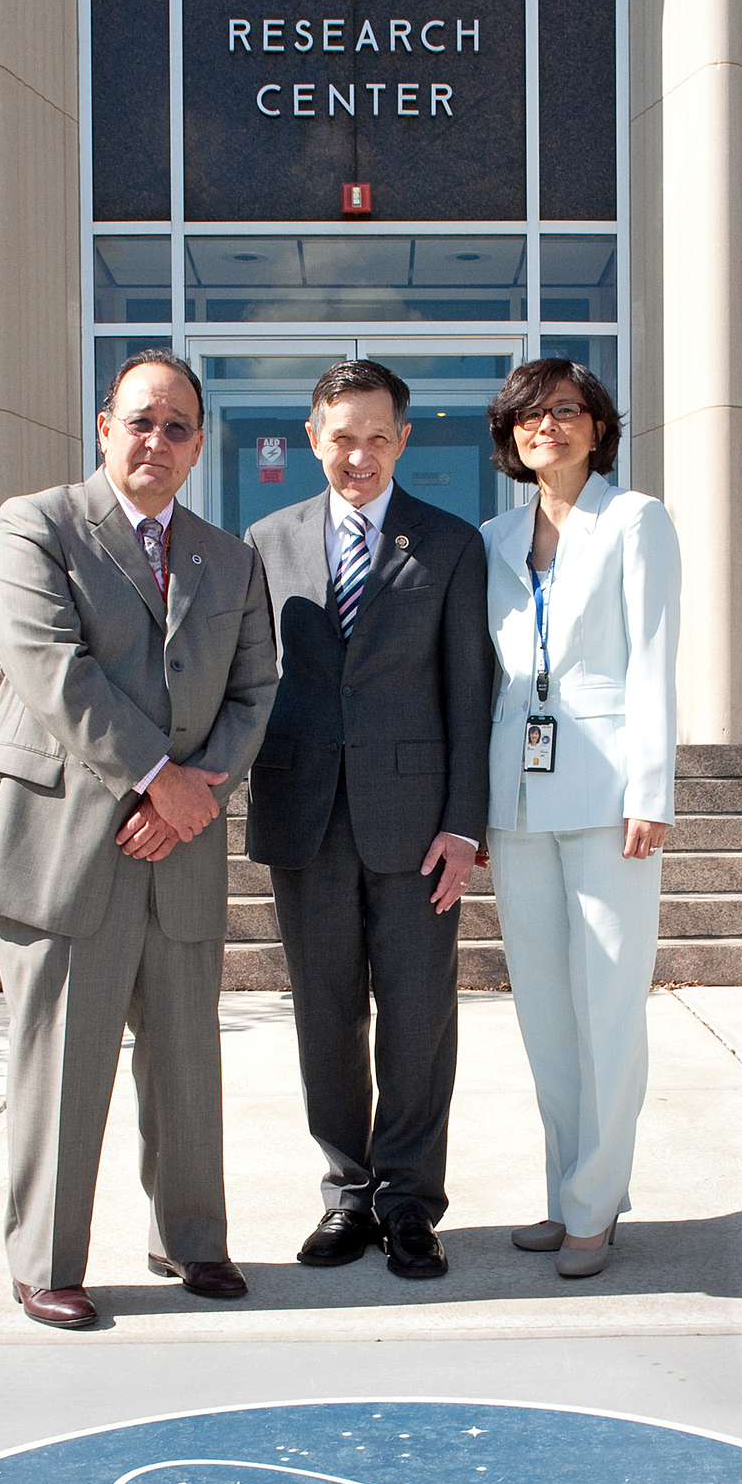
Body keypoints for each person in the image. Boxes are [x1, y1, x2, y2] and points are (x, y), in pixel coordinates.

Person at [0, 351, 277, 1329]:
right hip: (61, 844)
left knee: (185, 1060)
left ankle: (192, 1240)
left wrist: (196, 791)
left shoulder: (231, 557)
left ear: (199, 445)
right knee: (63, 1061)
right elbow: (51, 667)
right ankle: (45, 1261)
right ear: (103, 427)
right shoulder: (36, 526)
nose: (156, 441)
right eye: (140, 421)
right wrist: (156, 776)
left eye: (177, 427)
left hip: (181, 845)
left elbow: (256, 689)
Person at [245, 359, 494, 1282]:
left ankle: (411, 1204)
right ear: (313, 439)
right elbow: (243, 680)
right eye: (341, 437)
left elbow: (471, 693)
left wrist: (465, 825)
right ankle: (347, 1196)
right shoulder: (264, 540)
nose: (359, 454)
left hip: (419, 823)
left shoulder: (450, 545)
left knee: (420, 1016)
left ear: (404, 440)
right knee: (326, 1015)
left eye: (377, 436)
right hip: (303, 813)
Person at [480, 358, 680, 1279]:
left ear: (598, 427)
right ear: (511, 435)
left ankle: (597, 1206)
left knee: (607, 1006)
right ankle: (567, 1195)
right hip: (516, 796)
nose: (547, 427)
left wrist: (651, 791)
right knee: (547, 1014)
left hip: (608, 800)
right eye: (530, 415)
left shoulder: (636, 521)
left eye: (567, 411)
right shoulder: (493, 538)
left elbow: (653, 664)